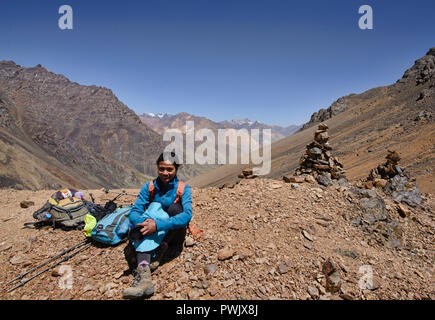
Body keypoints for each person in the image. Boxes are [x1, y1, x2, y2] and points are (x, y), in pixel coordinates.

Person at [122, 152, 192, 299]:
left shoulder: (183, 189)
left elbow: (187, 215)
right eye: (161, 169)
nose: (165, 173)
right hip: (151, 228)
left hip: (173, 233)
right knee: (146, 219)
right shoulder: (150, 187)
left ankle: (163, 247)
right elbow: (135, 210)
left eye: (169, 169)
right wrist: (142, 223)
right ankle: (144, 279)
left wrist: (158, 225)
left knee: (175, 209)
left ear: (176, 169)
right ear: (157, 168)